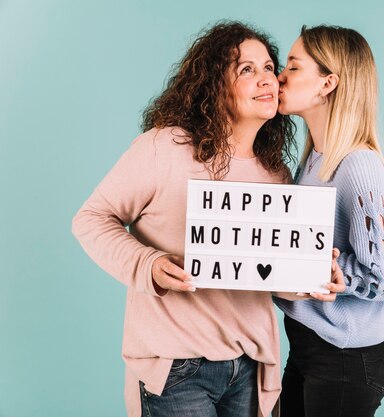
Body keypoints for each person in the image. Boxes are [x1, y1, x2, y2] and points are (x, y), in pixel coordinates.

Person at [72, 21, 342, 417]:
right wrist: (149, 264)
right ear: (214, 85)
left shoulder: (276, 173)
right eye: (246, 69)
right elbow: (91, 219)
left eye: (269, 67)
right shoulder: (164, 148)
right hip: (178, 366)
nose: (266, 78)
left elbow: (262, 273)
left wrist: (312, 277)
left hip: (251, 368)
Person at [273, 25, 384, 417]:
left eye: (294, 67)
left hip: (344, 361)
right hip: (310, 350)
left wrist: (330, 271)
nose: (280, 76)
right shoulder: (314, 159)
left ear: (327, 84)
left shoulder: (357, 166)